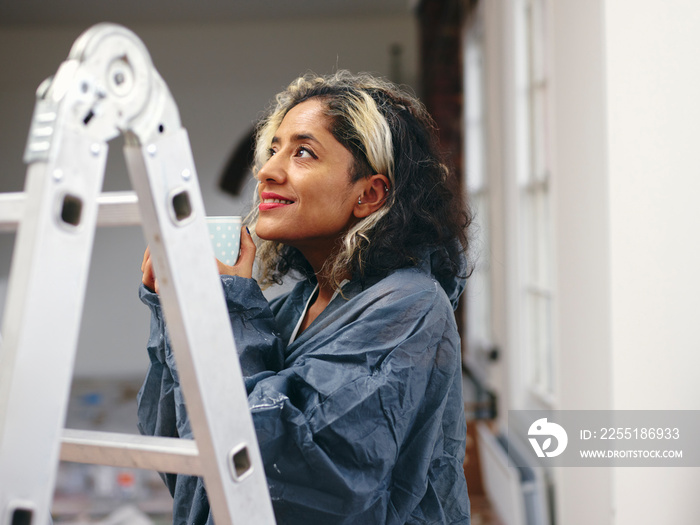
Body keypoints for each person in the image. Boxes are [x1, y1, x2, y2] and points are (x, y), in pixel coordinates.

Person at [139, 71, 472, 524]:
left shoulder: (410, 308)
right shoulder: (293, 308)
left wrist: (227, 306)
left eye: (303, 152)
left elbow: (287, 474)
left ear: (369, 194)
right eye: (274, 149)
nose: (266, 171)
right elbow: (190, 463)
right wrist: (177, 312)